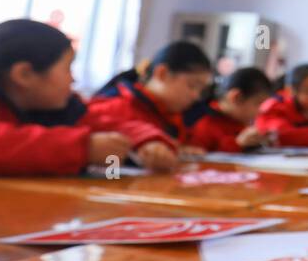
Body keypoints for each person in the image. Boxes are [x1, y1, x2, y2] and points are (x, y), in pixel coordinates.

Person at [0, 19, 171, 176]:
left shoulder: (46, 104)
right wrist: (79, 148)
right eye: (67, 68)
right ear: (24, 74)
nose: (73, 80)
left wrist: (146, 140)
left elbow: (104, 120)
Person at [89, 40, 214, 170]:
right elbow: (110, 166)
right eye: (192, 85)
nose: (196, 96)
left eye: (201, 90)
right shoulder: (116, 105)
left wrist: (180, 150)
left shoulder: (171, 116)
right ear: (162, 73)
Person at [189, 67, 275, 153]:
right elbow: (198, 158)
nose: (262, 110)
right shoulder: (204, 124)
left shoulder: (238, 121)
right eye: (258, 103)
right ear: (236, 97)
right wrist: (237, 144)